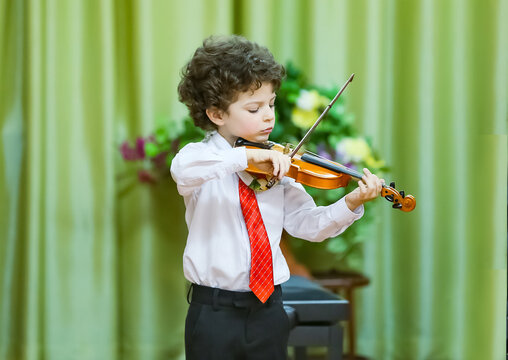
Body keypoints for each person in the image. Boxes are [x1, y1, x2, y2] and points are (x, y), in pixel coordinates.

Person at [170, 34, 383, 360]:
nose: (269, 115)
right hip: (213, 313)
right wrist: (245, 159)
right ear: (216, 114)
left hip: (268, 310)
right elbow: (183, 171)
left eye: (271, 104)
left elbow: (308, 226)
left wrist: (351, 202)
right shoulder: (200, 159)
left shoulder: (278, 164)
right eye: (254, 108)